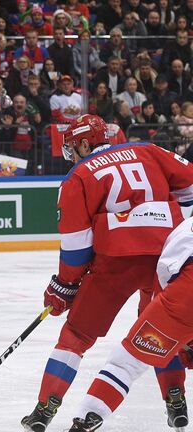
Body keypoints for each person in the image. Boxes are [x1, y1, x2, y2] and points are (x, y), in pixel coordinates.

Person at [20, 114, 193, 432]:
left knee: (75, 336)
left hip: (115, 262)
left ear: (85, 143)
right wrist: (169, 219)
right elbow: (190, 186)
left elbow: (77, 244)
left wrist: (65, 285)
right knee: (158, 331)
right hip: (166, 255)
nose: (71, 155)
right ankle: (175, 399)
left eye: (72, 147)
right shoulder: (148, 150)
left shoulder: (79, 175)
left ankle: (45, 409)